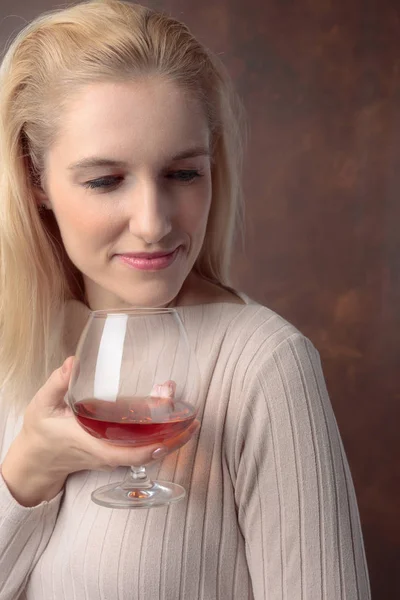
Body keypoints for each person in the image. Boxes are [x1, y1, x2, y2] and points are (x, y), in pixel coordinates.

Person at [0, 0, 370, 598]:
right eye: (104, 180)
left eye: (183, 173)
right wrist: (24, 476)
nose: (152, 223)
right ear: (35, 179)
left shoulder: (265, 363)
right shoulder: (11, 347)